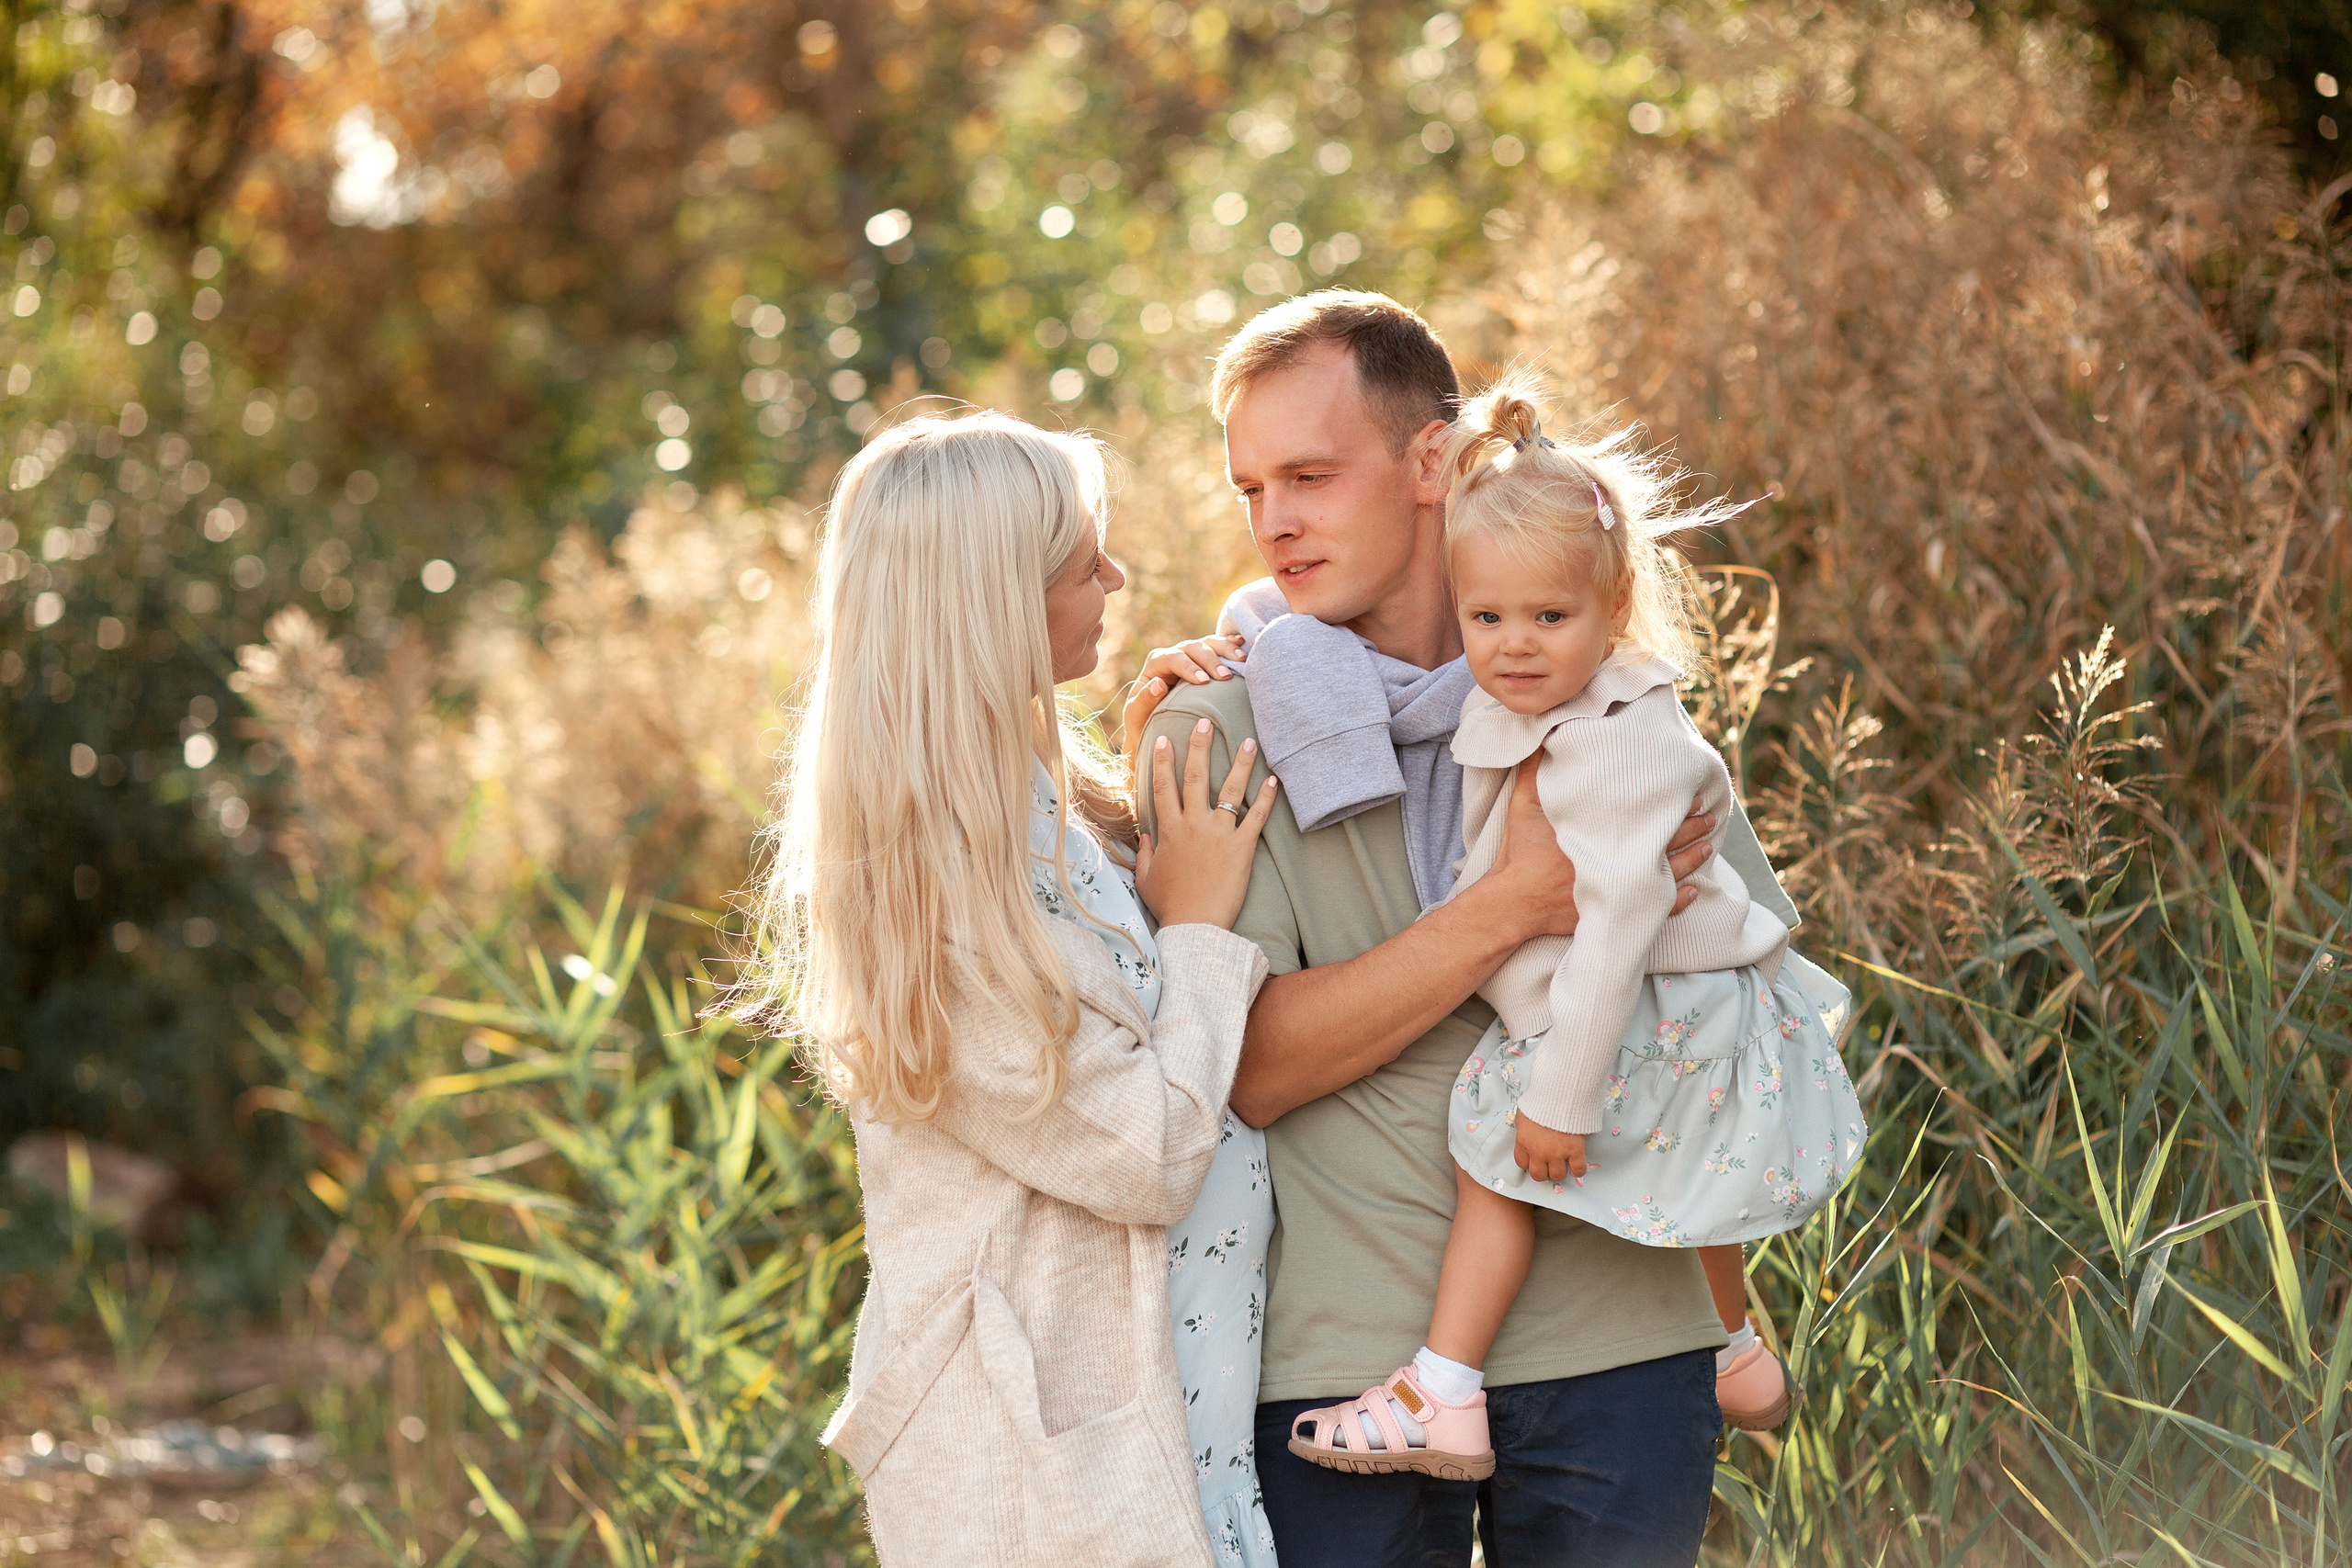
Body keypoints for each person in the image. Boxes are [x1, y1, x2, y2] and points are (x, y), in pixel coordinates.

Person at [1125, 291, 1773, 1566]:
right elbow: (1247, 1066)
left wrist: (1731, 1320)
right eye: (1251, 486)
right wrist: (1514, 909)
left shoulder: (1619, 709)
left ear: (1433, 459)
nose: (1276, 523)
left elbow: (1718, 1014)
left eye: (1311, 473)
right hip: (1337, 1360)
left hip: (1622, 1331)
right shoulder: (1217, 727)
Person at [1282, 375, 1866, 1481]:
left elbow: (1616, 926)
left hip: (1648, 997)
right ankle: (1734, 1351)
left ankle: (1442, 1391)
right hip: (1666, 1001)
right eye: (1484, 618)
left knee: (1497, 1162)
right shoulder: (1546, 703)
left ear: (1612, 611)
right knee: (1678, 1164)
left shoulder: (1614, 738)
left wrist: (1561, 1096)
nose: (1510, 647)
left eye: (1549, 618)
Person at [735, 412, 1285, 1564]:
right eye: (1088, 560)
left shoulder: (1032, 810)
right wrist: (1193, 925)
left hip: (1174, 1437)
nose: (1117, 579)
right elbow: (1140, 1154)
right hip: (1046, 1482)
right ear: (994, 598)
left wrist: (1148, 769)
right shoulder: (929, 888)